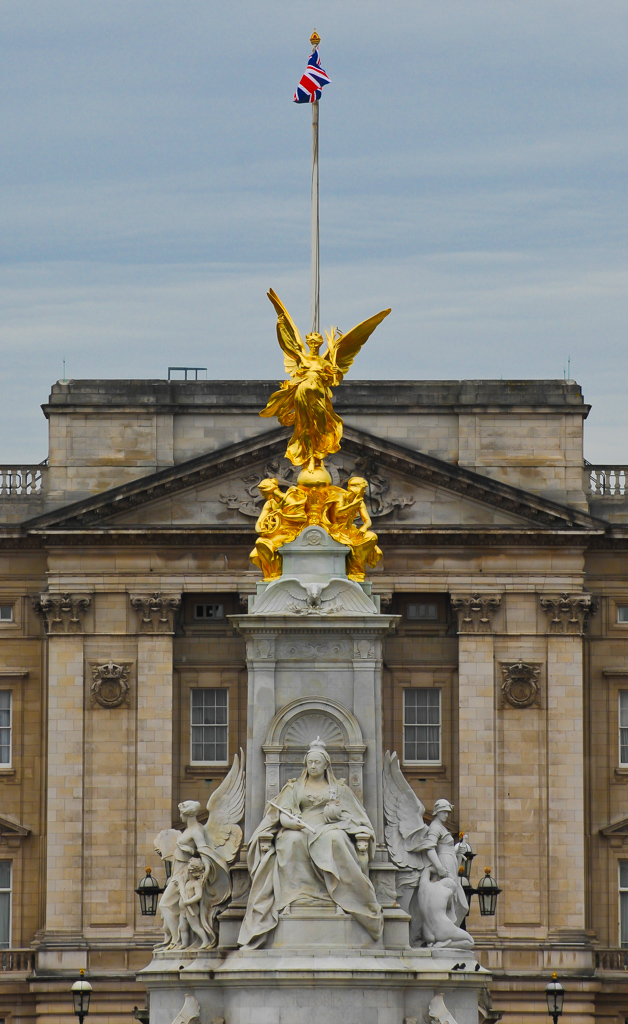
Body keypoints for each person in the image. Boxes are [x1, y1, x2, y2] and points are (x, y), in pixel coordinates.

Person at [238, 738, 383, 948]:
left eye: (317, 762)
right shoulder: (294, 787)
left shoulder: (338, 788)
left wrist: (334, 814)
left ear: (326, 765)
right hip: (300, 827)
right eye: (310, 762)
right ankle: (293, 897)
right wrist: (293, 824)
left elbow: (352, 814)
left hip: (328, 827)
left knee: (336, 839)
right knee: (290, 840)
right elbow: (282, 814)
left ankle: (341, 895)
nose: (313, 766)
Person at [156, 800, 231, 950]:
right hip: (177, 871)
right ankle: (173, 940)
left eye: (181, 813)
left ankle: (175, 941)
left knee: (165, 904)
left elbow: (204, 852)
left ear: (187, 814)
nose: (180, 817)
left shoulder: (196, 830)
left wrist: (205, 874)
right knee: (170, 906)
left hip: (183, 874)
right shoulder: (188, 829)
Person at [322, 477, 383, 580]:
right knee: (350, 545)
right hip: (334, 531)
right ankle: (354, 569)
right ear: (357, 488)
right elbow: (338, 512)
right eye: (363, 489)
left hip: (349, 532)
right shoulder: (340, 497)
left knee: (372, 537)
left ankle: (355, 568)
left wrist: (364, 528)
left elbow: (368, 521)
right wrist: (353, 505)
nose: (364, 492)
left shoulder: (360, 502)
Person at [249, 477, 308, 580]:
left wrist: (282, 515)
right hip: (276, 533)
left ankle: (276, 573)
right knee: (254, 555)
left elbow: (302, 517)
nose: (262, 495)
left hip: (292, 533)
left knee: (261, 543)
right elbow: (260, 522)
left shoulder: (289, 499)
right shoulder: (269, 504)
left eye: (263, 493)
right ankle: (272, 572)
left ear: (269, 491)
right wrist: (261, 531)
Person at [178, 858, 212, 950]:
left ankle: (206, 941)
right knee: (182, 927)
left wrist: (187, 902)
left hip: (191, 909)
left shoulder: (196, 883)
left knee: (195, 927)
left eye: (187, 872)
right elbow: (182, 893)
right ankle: (184, 943)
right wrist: (181, 885)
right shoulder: (186, 883)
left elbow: (198, 896)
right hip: (184, 910)